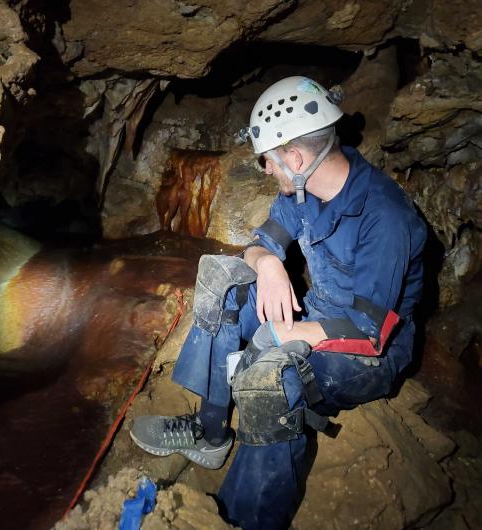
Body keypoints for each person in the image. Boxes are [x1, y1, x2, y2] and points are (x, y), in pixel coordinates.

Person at [130, 76, 427, 529]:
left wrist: (283, 335)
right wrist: (267, 264)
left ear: (295, 156)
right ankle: (210, 432)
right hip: (323, 312)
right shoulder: (305, 193)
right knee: (225, 281)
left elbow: (370, 333)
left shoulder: (384, 217)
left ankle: (245, 518)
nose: (266, 170)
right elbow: (261, 241)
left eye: (268, 160)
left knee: (273, 374)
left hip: (369, 351)